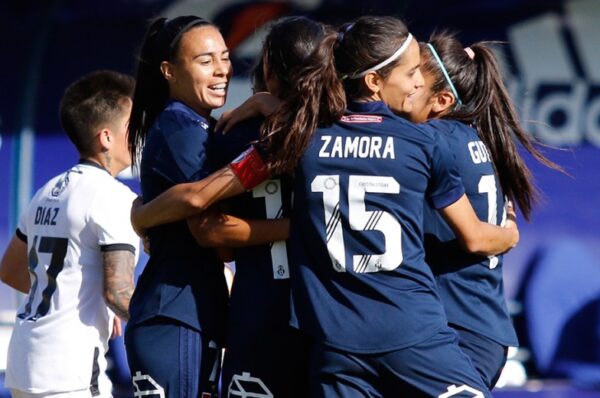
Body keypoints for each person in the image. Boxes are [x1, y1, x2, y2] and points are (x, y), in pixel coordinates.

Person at [130, 15, 518, 397]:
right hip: (394, 330)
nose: (418, 83)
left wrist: (143, 213)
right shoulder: (419, 141)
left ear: (270, 69)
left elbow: (209, 208)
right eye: (413, 72)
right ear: (373, 81)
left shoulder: (297, 142)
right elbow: (472, 236)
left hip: (316, 335)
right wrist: (510, 233)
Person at [407, 32, 562, 388]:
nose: (407, 83)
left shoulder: (433, 141)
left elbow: (475, 239)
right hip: (478, 327)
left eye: (416, 77)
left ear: (442, 100)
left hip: (458, 332)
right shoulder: (470, 137)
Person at [0, 70, 139, 398]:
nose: (138, 135)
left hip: (24, 360)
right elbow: (118, 294)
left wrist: (74, 298)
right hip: (69, 371)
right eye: (132, 127)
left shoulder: (47, 190)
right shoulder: (114, 196)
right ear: (106, 137)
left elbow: (10, 270)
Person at [209, 16, 324, 398]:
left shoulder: (231, 133)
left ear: (269, 70)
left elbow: (217, 238)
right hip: (333, 315)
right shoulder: (347, 136)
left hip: (259, 315)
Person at [124, 15, 234, 398]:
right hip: (175, 313)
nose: (222, 69)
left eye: (225, 56)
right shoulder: (182, 129)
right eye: (205, 61)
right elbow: (214, 234)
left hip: (186, 310)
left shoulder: (196, 125)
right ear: (169, 71)